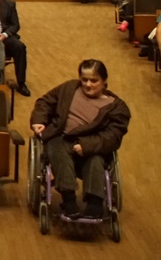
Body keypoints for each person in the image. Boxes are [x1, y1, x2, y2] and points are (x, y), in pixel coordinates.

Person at [30, 59, 130, 220]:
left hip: (91, 142)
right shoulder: (69, 88)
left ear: (104, 81)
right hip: (61, 136)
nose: (88, 84)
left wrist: (86, 145)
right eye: (84, 79)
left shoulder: (117, 107)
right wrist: (39, 120)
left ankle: (95, 203)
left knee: (96, 159)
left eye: (94, 80)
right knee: (58, 150)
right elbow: (45, 102)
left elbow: (113, 136)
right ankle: (68, 200)